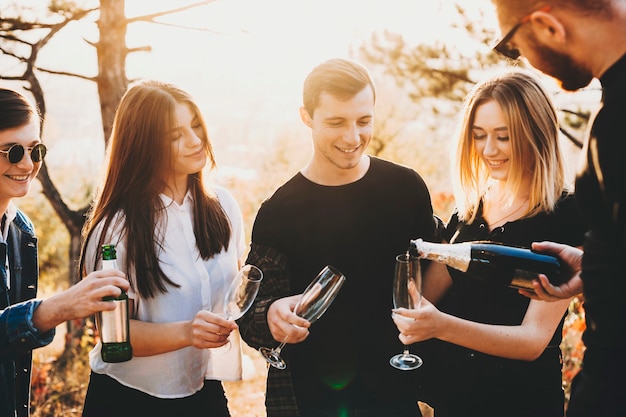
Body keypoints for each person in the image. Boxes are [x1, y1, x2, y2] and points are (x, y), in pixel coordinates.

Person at [237, 57, 439, 417]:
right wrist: (272, 316)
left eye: (364, 121)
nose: (352, 137)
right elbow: (251, 312)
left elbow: (434, 277)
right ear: (307, 117)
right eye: (336, 122)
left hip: (394, 396)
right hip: (309, 400)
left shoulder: (406, 188)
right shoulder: (279, 211)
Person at [392, 71, 587, 417]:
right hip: (455, 403)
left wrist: (440, 326)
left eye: (503, 137)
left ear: (536, 135)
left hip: (521, 403)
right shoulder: (470, 212)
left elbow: (532, 340)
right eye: (479, 136)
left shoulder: (566, 217)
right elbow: (424, 296)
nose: (488, 149)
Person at [488, 1, 626, 415]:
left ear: (548, 26)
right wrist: (595, 268)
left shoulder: (619, 121)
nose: (524, 62)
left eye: (514, 47)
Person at [78, 79, 246, 417]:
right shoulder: (116, 228)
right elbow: (113, 336)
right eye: (175, 136)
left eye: (196, 125)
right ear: (144, 147)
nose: (196, 141)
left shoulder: (224, 207)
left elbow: (239, 286)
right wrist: (187, 332)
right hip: (129, 399)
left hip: (203, 387)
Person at [0, 87, 130, 417]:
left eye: (36, 150)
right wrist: (56, 308)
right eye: (13, 152)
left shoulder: (20, 231)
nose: (28, 164)